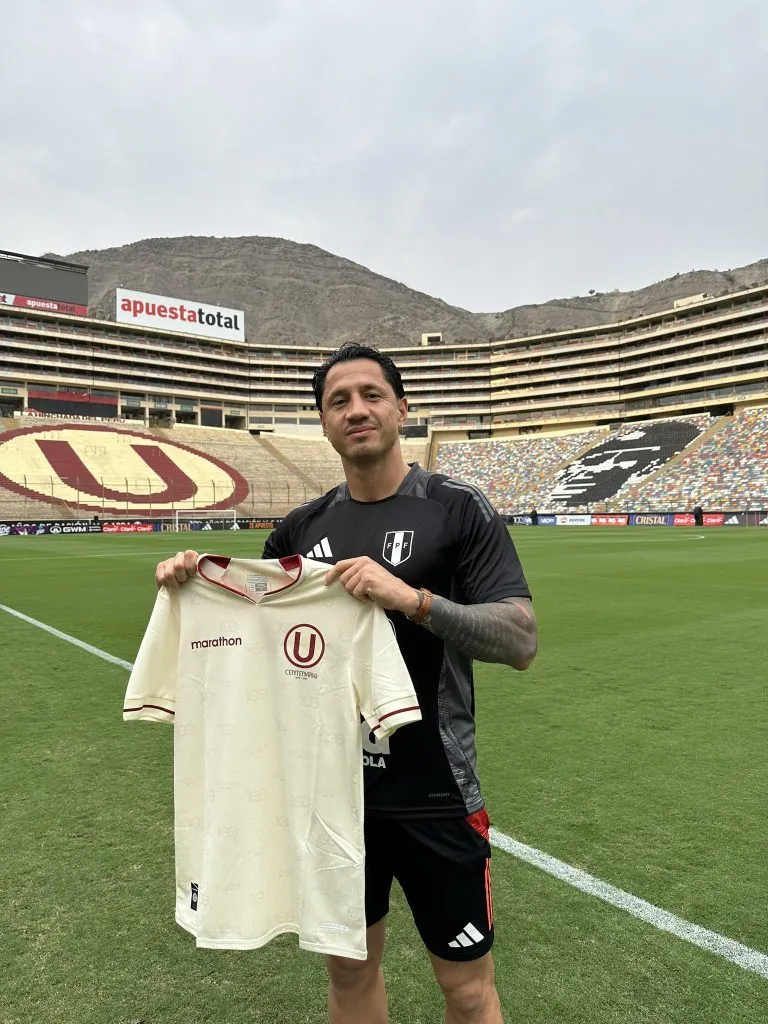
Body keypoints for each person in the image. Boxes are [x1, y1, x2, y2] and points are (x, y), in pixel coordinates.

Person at [155, 343, 538, 1024]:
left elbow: (519, 639)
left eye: (371, 394)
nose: (357, 409)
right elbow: (252, 642)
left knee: (469, 991)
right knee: (350, 983)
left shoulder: (456, 508)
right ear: (324, 423)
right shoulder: (300, 530)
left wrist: (413, 600)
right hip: (329, 798)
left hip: (436, 792)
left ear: (402, 408)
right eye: (339, 401)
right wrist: (194, 584)